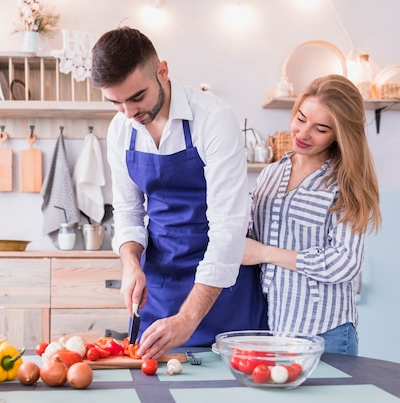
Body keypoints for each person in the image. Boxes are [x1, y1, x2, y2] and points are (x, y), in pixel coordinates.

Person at [90, 27, 267, 359]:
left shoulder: (213, 118)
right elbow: (128, 213)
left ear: (163, 72)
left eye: (137, 97)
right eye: (116, 103)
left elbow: (228, 229)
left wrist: (188, 317)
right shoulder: (120, 130)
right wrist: (130, 263)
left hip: (222, 284)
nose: (129, 114)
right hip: (162, 285)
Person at [242, 74, 382, 355]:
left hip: (323, 332)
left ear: (339, 135)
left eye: (320, 129)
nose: (303, 134)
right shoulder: (271, 174)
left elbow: (346, 262)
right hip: (270, 329)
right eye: (301, 118)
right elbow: (249, 240)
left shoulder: (345, 183)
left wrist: (266, 253)